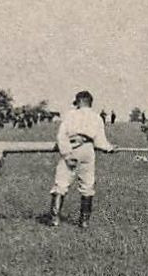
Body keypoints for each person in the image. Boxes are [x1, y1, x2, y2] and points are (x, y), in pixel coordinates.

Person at [39, 90, 115, 229]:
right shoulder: (97, 117)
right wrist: (109, 148)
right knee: (87, 185)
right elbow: (100, 141)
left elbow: (61, 136)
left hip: (71, 148)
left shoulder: (70, 115)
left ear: (79, 102)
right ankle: (84, 222)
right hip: (87, 150)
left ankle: (54, 219)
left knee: (61, 184)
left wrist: (67, 155)